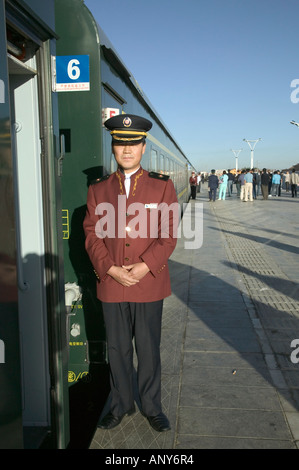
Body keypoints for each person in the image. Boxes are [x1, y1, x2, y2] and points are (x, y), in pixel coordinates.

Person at [83, 114, 178, 432]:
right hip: (111, 282)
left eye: (133, 143)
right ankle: (121, 403)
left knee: (148, 347)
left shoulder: (162, 187)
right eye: (120, 143)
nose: (127, 149)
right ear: (113, 147)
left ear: (143, 147)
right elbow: (91, 233)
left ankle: (152, 406)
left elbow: (169, 235)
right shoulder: (98, 190)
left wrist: (144, 266)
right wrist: (109, 268)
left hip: (147, 281)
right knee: (117, 347)